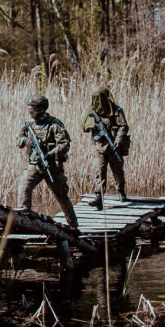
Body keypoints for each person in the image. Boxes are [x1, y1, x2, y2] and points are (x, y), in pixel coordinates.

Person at [15, 95, 79, 229]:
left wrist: (49, 154)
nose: (29, 111)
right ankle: (24, 221)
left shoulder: (54, 125)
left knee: (61, 195)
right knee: (23, 188)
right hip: (35, 166)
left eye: (31, 108)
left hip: (52, 167)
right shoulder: (29, 125)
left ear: (39, 109)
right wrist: (26, 141)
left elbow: (64, 144)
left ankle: (73, 225)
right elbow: (18, 139)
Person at [82, 86, 130, 210]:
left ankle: (121, 191)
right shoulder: (92, 112)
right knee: (99, 172)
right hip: (99, 147)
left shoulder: (116, 110)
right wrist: (94, 124)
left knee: (118, 171)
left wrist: (118, 141)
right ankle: (99, 197)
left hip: (114, 147)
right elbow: (84, 127)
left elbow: (123, 126)